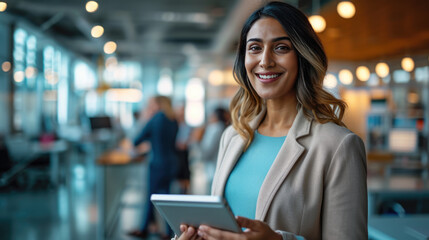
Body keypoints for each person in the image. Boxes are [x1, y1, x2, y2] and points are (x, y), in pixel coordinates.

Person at [178, 2, 367, 240]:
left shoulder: (338, 146)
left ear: (303, 56)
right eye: (255, 48)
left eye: (281, 48)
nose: (265, 61)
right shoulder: (234, 136)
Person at [128, 95, 179, 239]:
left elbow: (137, 140)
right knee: (166, 197)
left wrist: (145, 118)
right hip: (171, 163)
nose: (149, 107)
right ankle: (167, 231)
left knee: (152, 196)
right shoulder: (173, 118)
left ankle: (145, 228)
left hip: (157, 163)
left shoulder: (156, 118)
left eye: (151, 104)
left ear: (158, 104)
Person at [194, 107, 229, 194]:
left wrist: (197, 140)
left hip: (213, 171)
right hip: (217, 170)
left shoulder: (215, 129)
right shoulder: (223, 128)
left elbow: (206, 154)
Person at [175, 105, 192, 194]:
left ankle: (184, 192)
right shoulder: (173, 125)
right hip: (177, 154)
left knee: (185, 174)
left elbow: (188, 141)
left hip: (184, 154)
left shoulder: (186, 126)